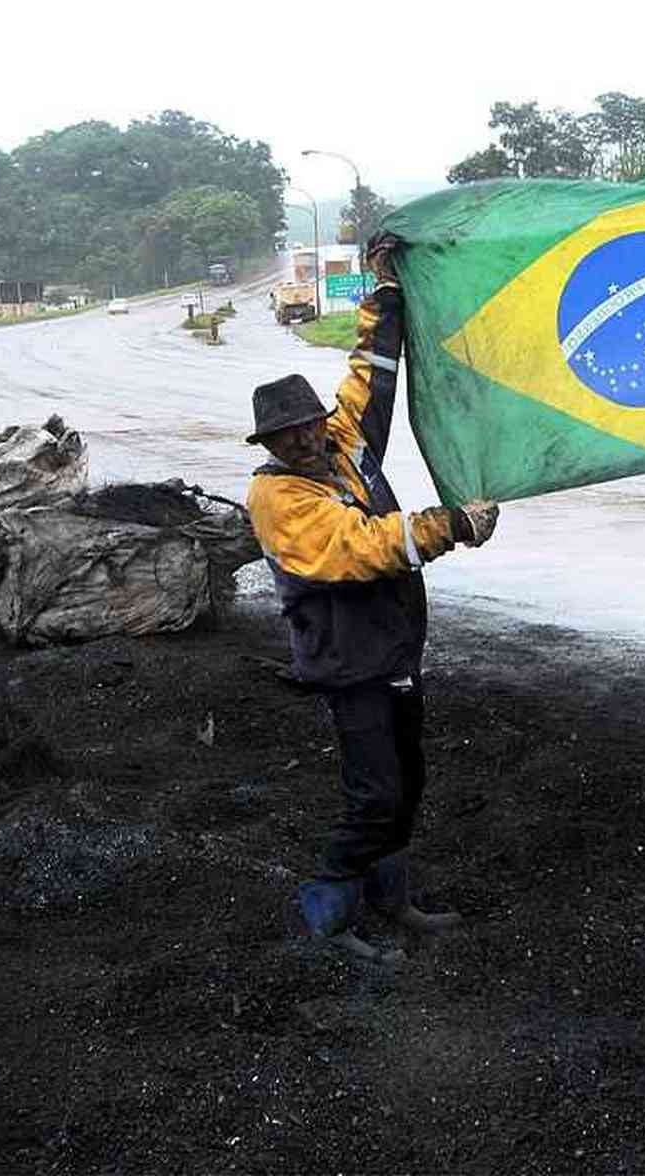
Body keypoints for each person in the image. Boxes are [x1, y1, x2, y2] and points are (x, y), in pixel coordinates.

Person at [246, 232, 500, 963]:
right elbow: (354, 548)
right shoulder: (279, 498)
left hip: (392, 651)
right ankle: (325, 915)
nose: (300, 442)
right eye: (284, 437)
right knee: (374, 796)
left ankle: (394, 902)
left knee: (406, 784)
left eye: (304, 427)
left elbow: (372, 377)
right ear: (269, 445)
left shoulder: (339, 446)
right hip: (347, 663)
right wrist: (447, 526)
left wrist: (386, 293)